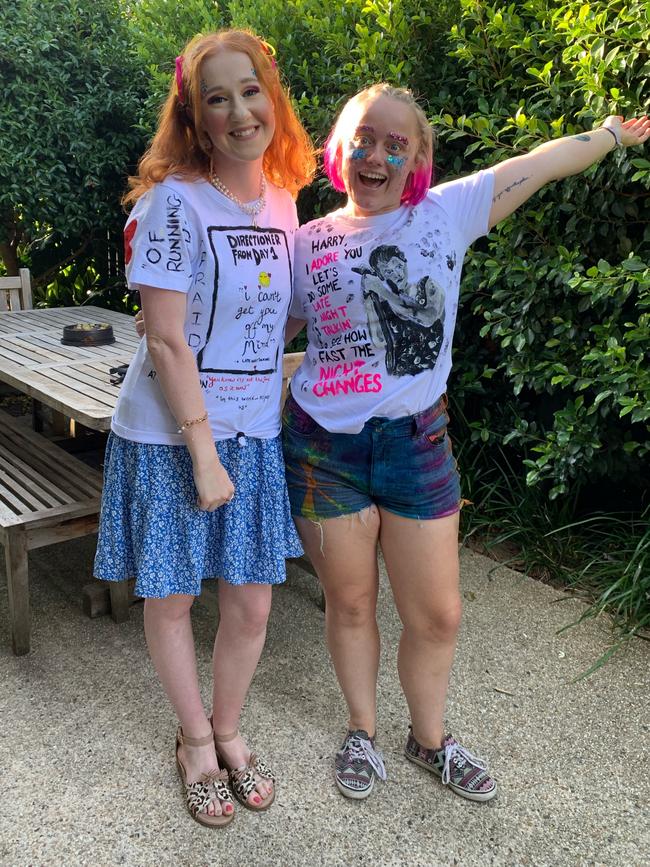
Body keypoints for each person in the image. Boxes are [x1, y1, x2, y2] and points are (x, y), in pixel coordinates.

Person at [283, 83, 649, 802]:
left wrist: (608, 134)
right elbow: (272, 326)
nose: (377, 154)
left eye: (397, 144)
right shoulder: (308, 242)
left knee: (438, 612)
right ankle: (362, 729)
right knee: (349, 604)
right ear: (338, 148)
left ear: (417, 157)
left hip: (416, 445)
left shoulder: (445, 213)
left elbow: (538, 162)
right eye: (363, 138)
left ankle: (429, 740)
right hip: (323, 449)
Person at [94, 29, 315, 827]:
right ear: (195, 116)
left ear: (273, 97)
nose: (238, 110)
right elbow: (164, 338)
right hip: (172, 437)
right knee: (175, 596)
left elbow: (287, 314)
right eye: (215, 97)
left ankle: (229, 727)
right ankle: (193, 740)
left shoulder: (287, 202)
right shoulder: (173, 203)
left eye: (249, 90)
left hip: (252, 435)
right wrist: (201, 449)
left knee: (252, 607)